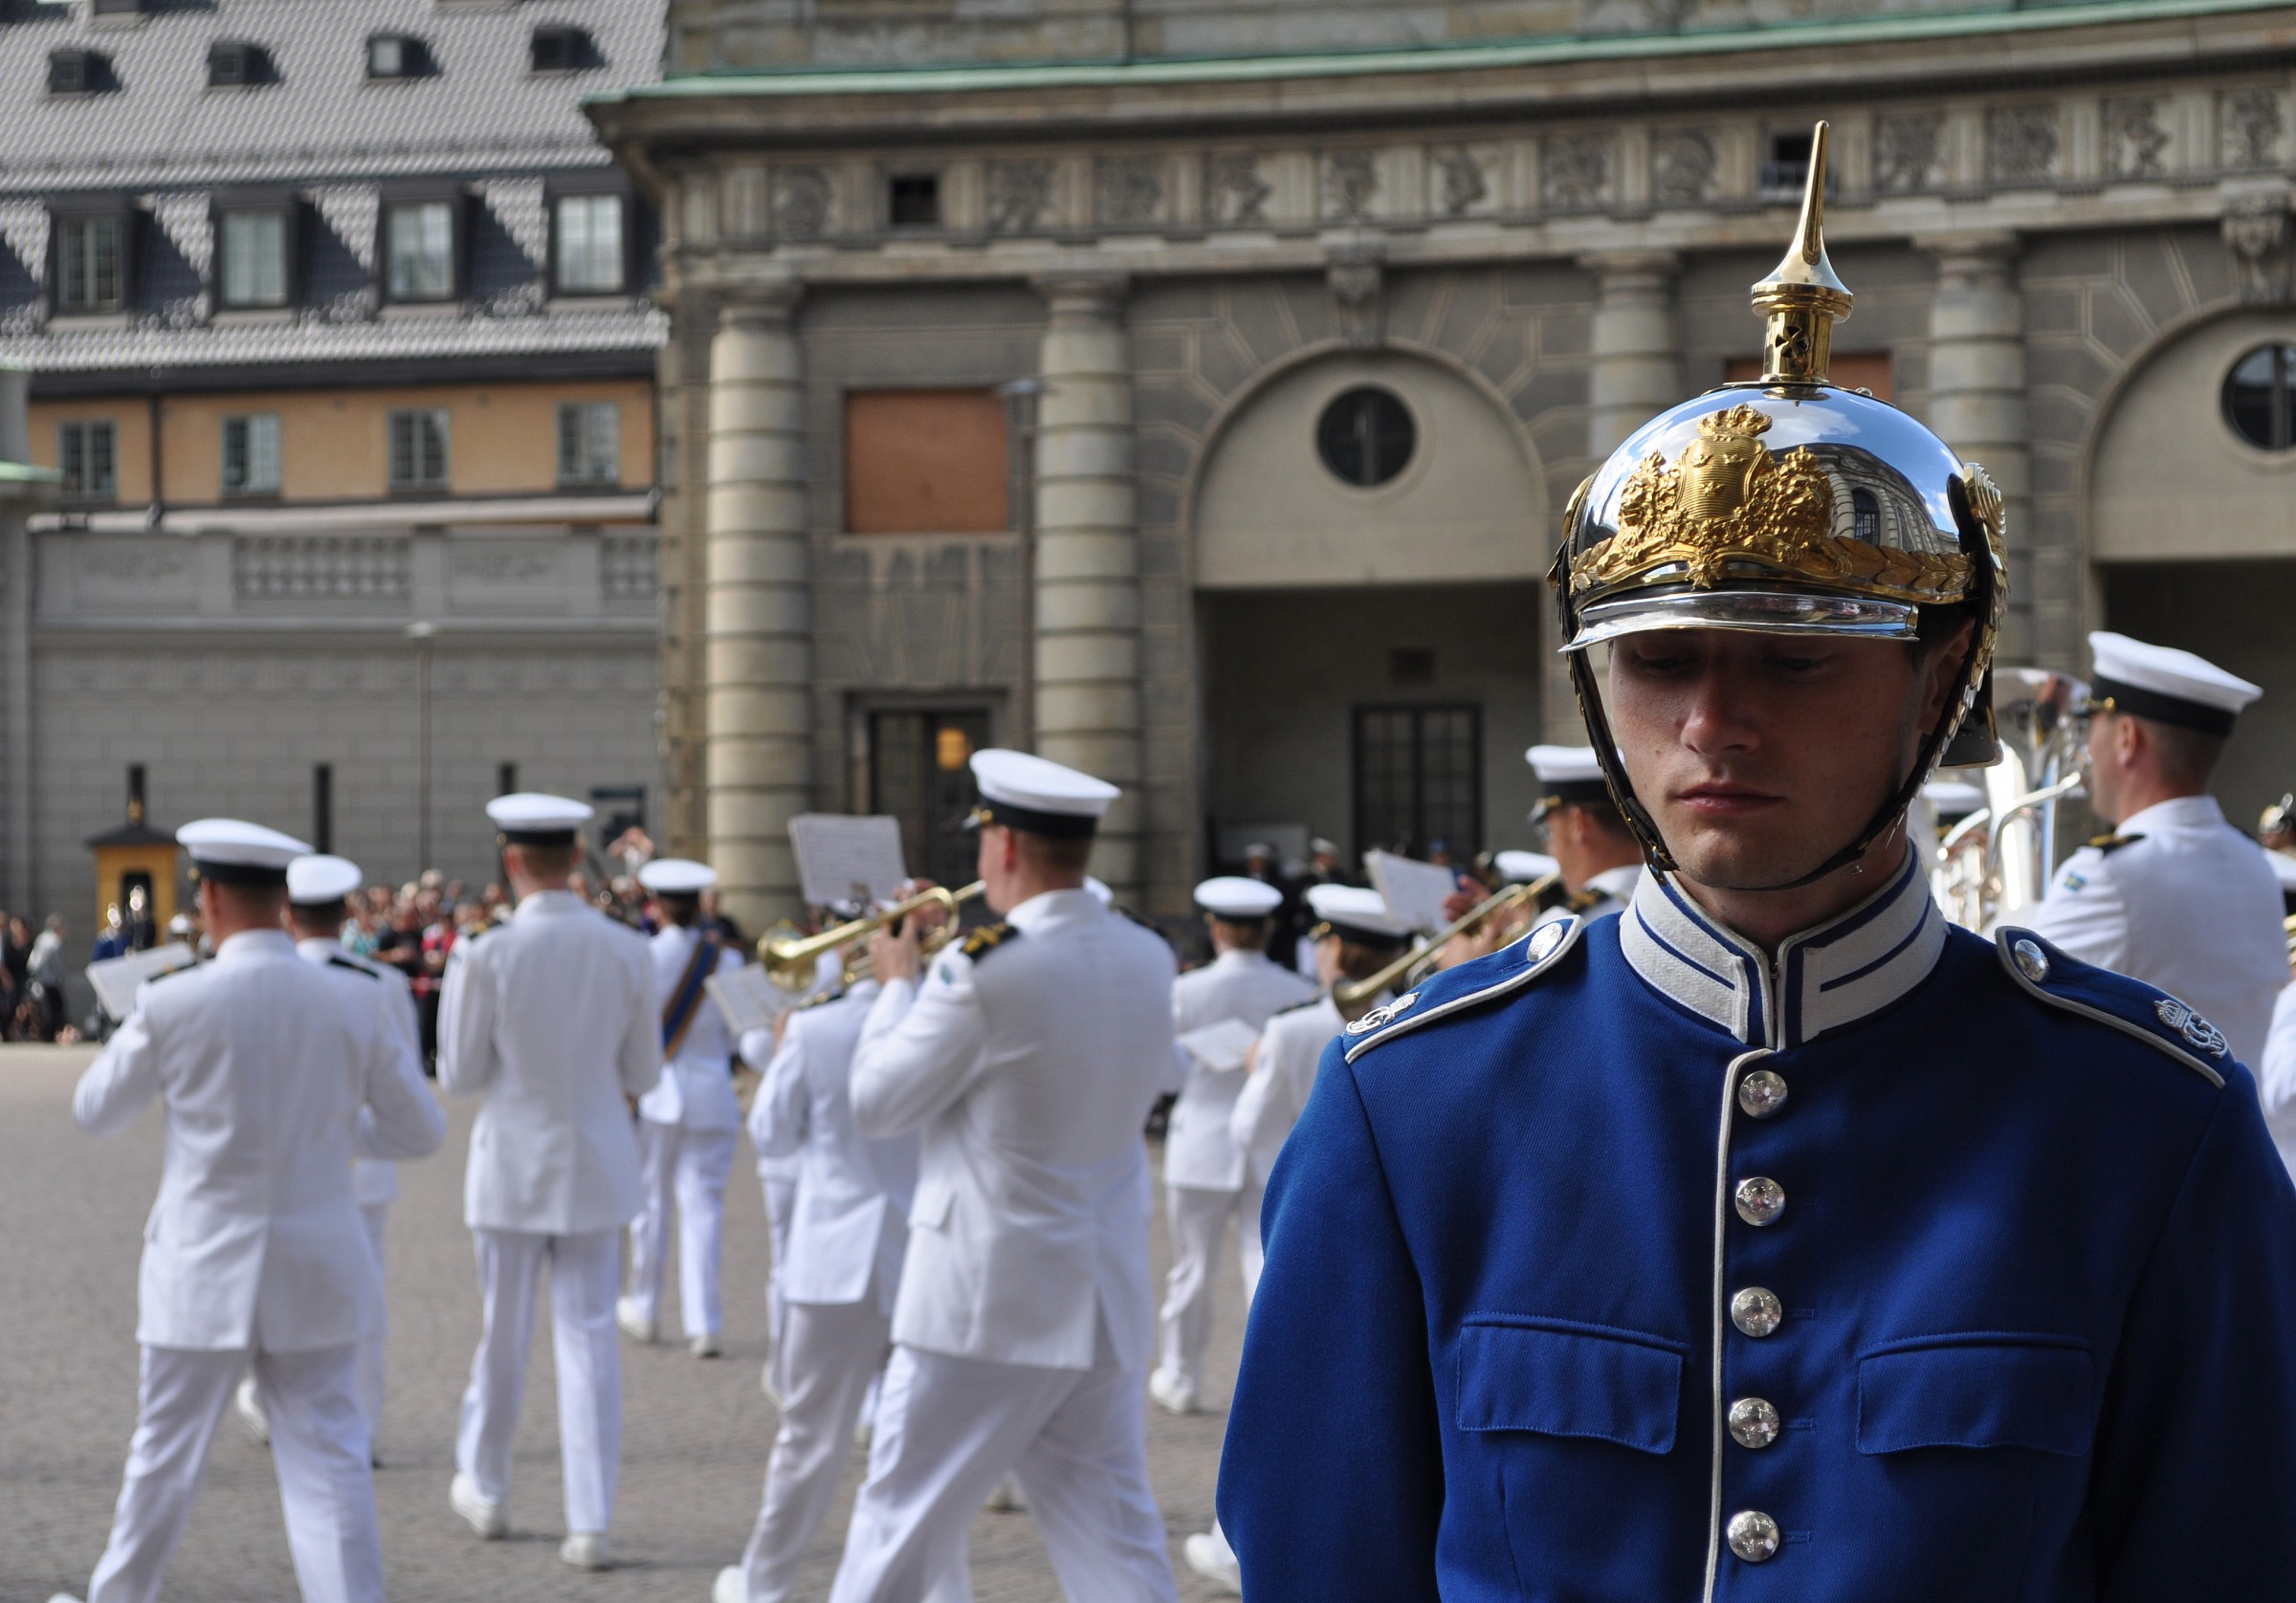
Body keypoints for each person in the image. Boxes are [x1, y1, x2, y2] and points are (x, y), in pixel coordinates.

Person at [1219, 136, 2296, 1599]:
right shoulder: (1411, 1108)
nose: (1715, 725)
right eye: (1660, 665)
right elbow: (1324, 1564)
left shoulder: (2148, 1125)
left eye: (1795, 663)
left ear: (1938, 689)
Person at [826, 748, 1181, 1603]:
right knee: (1115, 1543)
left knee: (893, 1532)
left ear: (1007, 847)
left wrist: (893, 984)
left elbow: (876, 1103)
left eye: (984, 839)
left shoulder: (982, 969)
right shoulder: (1148, 955)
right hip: (1099, 1300)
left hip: (981, 1308)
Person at [55, 820, 443, 1603]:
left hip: (201, 1262)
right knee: (330, 1465)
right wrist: (335, 1131)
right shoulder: (356, 998)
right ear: (285, 903)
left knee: (163, 1457)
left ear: (211, 898)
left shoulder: (173, 1000)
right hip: (319, 1261)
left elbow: (94, 1110)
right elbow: (419, 1130)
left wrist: (142, 1019)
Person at [437, 793, 659, 1572]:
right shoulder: (628, 947)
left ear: (510, 862)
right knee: (590, 1336)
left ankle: (490, 1485)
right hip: (597, 1160)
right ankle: (589, 1518)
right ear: (575, 860)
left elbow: (460, 1075)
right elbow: (643, 1071)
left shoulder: (486, 951)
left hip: (512, 1164)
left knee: (505, 1331)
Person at [1185, 881, 1410, 1594]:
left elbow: (1253, 1130)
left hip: (1294, 1215)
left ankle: (1238, 1547)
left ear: (1335, 947)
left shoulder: (1289, 1027)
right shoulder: (1429, 1009)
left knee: (1286, 1391)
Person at [718, 957, 961, 1603]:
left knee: (807, 1440)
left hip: (832, 1257)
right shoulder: (938, 1024)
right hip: (918, 1253)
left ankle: (765, 1585)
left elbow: (770, 1134)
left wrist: (780, 1050)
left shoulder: (815, 1029)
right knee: (926, 1451)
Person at [234, 853, 427, 1455]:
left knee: (262, 1284)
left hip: (276, 1162)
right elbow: (405, 1089)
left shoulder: (257, 978)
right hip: (359, 1164)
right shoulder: (382, 985)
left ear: (287, 913)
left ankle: (268, 1400)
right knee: (362, 1298)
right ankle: (359, 1426)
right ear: (346, 914)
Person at [2025, 631, 2287, 1067]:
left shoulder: (2109, 874)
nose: (2088, 749)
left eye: (2093, 728)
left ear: (2126, 738)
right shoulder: (2256, 864)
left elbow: (2015, 1014)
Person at [1150, 876, 1315, 1418]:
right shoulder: (1295, 987)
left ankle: (1180, 1377)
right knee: (1263, 1266)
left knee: (1191, 1270)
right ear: (1267, 930)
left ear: (1215, 930)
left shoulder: (1187, 989)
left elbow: (1169, 1074)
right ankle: (1269, 1382)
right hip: (1271, 1141)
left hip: (1200, 1139)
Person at [619, 857, 747, 1359]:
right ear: (702, 904)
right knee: (705, 1209)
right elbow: (746, 1038)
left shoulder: (644, 956)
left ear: (657, 905)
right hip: (712, 1090)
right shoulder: (730, 961)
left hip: (659, 1092)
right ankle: (705, 1322)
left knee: (650, 1203)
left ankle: (646, 1307)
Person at [1524, 744, 1645, 922]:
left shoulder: (1563, 923)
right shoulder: (1673, 899)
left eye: (1549, 832)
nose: (1550, 851)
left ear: (1578, 823)